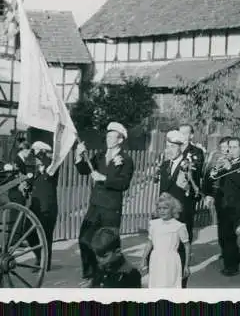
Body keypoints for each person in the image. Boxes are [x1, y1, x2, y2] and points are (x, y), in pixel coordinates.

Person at [75, 122, 135, 282]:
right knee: (84, 239)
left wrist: (104, 178)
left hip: (111, 208)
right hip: (95, 205)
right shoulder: (100, 155)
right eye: (107, 136)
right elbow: (83, 170)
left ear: (120, 140)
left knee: (109, 244)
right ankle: (90, 274)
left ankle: (112, 276)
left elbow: (124, 183)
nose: (108, 139)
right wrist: (78, 155)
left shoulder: (127, 160)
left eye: (112, 136)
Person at [152, 129, 198, 288]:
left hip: (181, 216)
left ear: (181, 147)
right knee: (163, 252)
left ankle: (180, 285)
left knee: (179, 252)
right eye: (167, 146)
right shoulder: (164, 164)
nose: (168, 150)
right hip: (165, 217)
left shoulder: (190, 165)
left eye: (172, 147)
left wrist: (187, 186)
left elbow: (196, 191)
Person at [206, 137, 240, 276]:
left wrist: (229, 167)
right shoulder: (228, 161)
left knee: (228, 235)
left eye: (234, 147)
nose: (230, 150)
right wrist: (215, 170)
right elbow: (213, 177)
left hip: (234, 204)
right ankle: (233, 258)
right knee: (222, 234)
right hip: (222, 202)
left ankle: (231, 266)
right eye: (229, 147)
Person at [141, 193, 190, 288]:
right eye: (159, 208)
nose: (162, 211)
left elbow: (187, 245)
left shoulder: (179, 226)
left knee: (169, 285)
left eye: (165, 208)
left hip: (171, 260)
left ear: (172, 209)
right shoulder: (154, 224)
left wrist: (186, 265)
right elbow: (149, 243)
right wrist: (143, 259)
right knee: (156, 284)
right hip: (155, 259)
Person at [25, 141, 59, 272]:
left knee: (45, 235)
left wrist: (42, 159)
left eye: (36, 151)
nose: (34, 154)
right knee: (29, 232)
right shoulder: (35, 164)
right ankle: (40, 257)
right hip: (36, 204)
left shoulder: (52, 163)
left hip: (48, 205)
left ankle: (45, 263)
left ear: (43, 152)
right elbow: (30, 176)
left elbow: (48, 172)